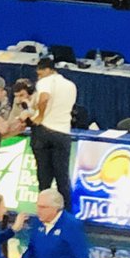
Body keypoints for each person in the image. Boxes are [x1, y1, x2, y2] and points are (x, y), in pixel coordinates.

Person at [30, 57, 77, 198]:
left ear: (48, 70)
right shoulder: (71, 85)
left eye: (40, 74)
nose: (39, 77)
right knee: (62, 177)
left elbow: (44, 97)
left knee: (44, 177)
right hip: (63, 133)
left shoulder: (45, 81)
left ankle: (43, 210)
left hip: (44, 131)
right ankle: (66, 213)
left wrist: (40, 116)